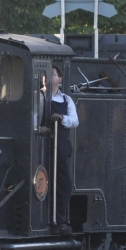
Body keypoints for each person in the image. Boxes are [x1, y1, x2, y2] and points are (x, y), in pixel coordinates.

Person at [48, 66, 78, 234]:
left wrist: (61, 118)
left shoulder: (67, 100)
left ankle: (59, 218)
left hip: (61, 147)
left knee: (64, 184)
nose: (49, 77)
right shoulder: (39, 97)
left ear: (60, 79)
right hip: (45, 146)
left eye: (52, 74)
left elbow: (75, 121)